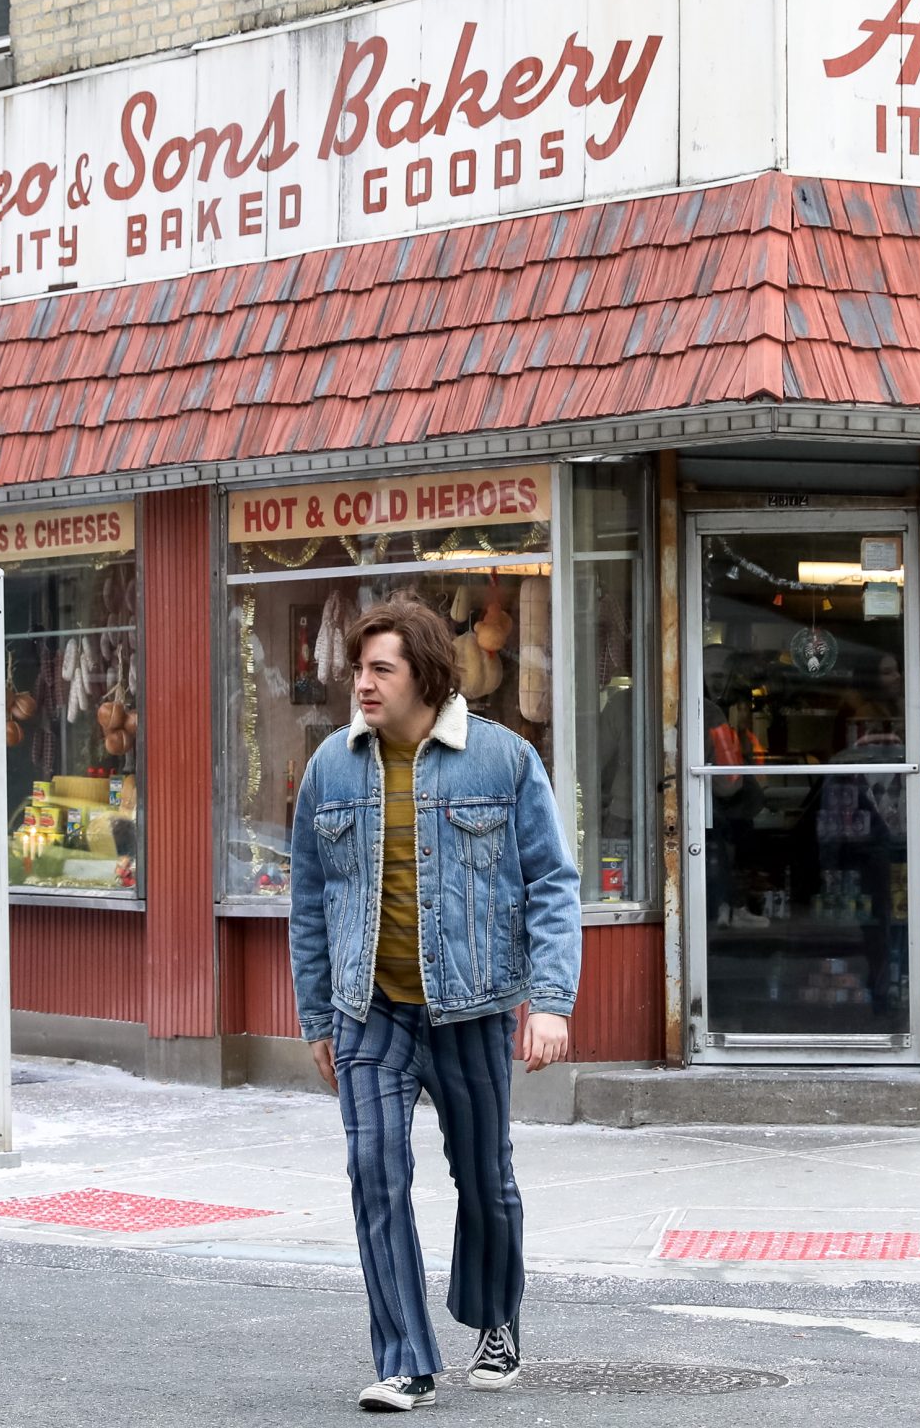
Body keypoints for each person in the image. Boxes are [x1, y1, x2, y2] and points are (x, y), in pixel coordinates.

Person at [289, 593, 582, 1413]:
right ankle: (404, 1358)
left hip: (474, 1006)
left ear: (425, 673)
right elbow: (309, 902)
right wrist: (318, 1015)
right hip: (370, 1011)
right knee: (374, 1174)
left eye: (381, 668)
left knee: (484, 1179)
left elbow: (553, 886)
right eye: (358, 670)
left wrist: (550, 1002)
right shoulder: (330, 770)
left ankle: (495, 1317)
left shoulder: (503, 761)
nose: (364, 685)